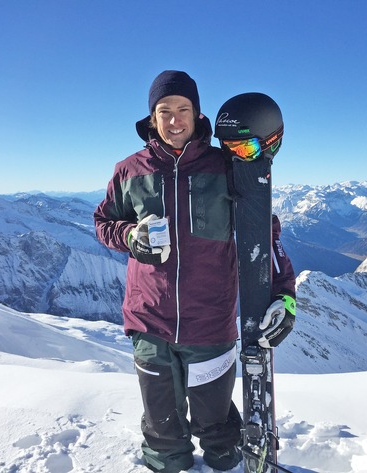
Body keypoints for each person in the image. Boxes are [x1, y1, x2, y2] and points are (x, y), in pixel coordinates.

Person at [93, 70, 295, 473]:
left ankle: (230, 465)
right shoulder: (130, 170)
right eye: (164, 111)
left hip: (210, 324)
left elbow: (261, 232)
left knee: (217, 429)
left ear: (197, 113)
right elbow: (103, 223)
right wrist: (130, 235)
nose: (174, 120)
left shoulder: (225, 167)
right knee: (162, 431)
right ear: (152, 117)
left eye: (182, 109)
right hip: (149, 321)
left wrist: (284, 293)